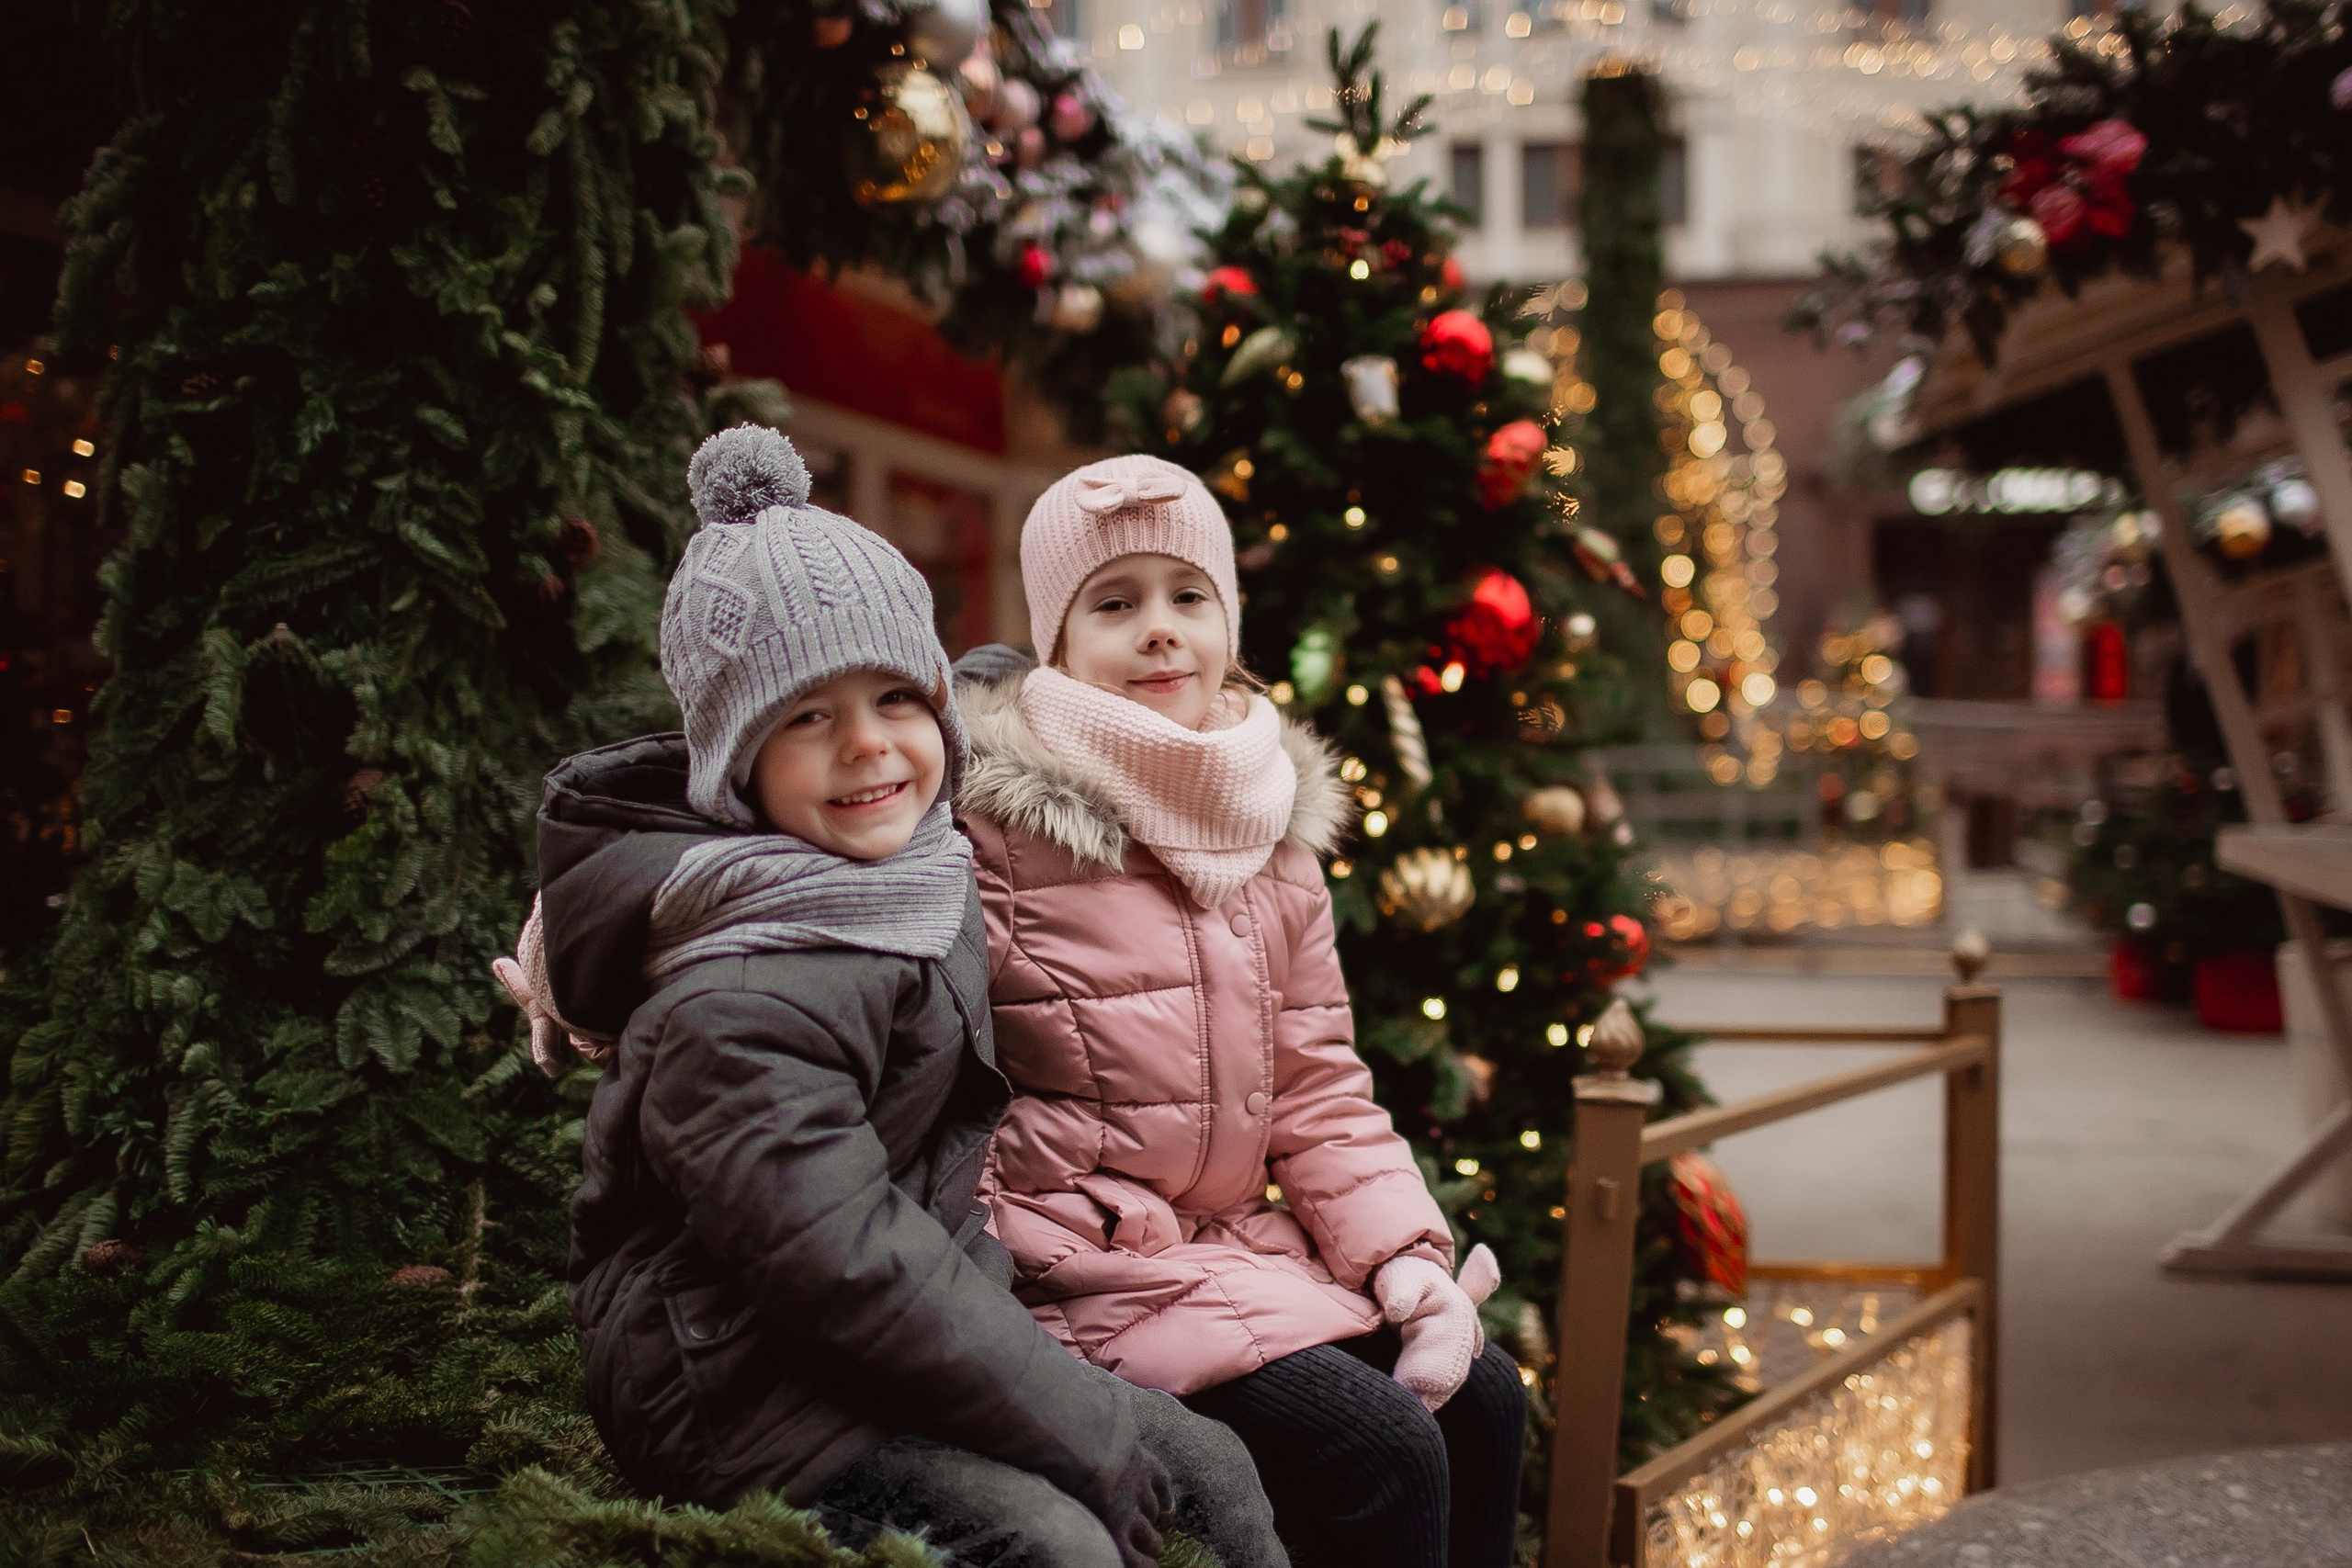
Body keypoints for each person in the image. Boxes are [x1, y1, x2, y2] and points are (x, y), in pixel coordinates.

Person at [495, 427, 1285, 1568]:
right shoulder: (734, 991)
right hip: (742, 1389)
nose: (869, 748)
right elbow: (841, 1257)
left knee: (1213, 1471)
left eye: (894, 700)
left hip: (902, 1337)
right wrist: (1072, 1426)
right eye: (806, 719)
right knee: (1057, 1543)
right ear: (736, 766)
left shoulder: (913, 869)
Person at [953, 455, 1527, 1568]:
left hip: (1226, 1250)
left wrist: (1402, 1258)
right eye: (1114, 604)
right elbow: (802, 850)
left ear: (1230, 620)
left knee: (1488, 1396)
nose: (1159, 629)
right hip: (1076, 1269)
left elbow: (1317, 1092)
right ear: (1056, 645)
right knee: (1381, 1448)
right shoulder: (993, 830)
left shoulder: (1268, 831)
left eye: (1188, 596)